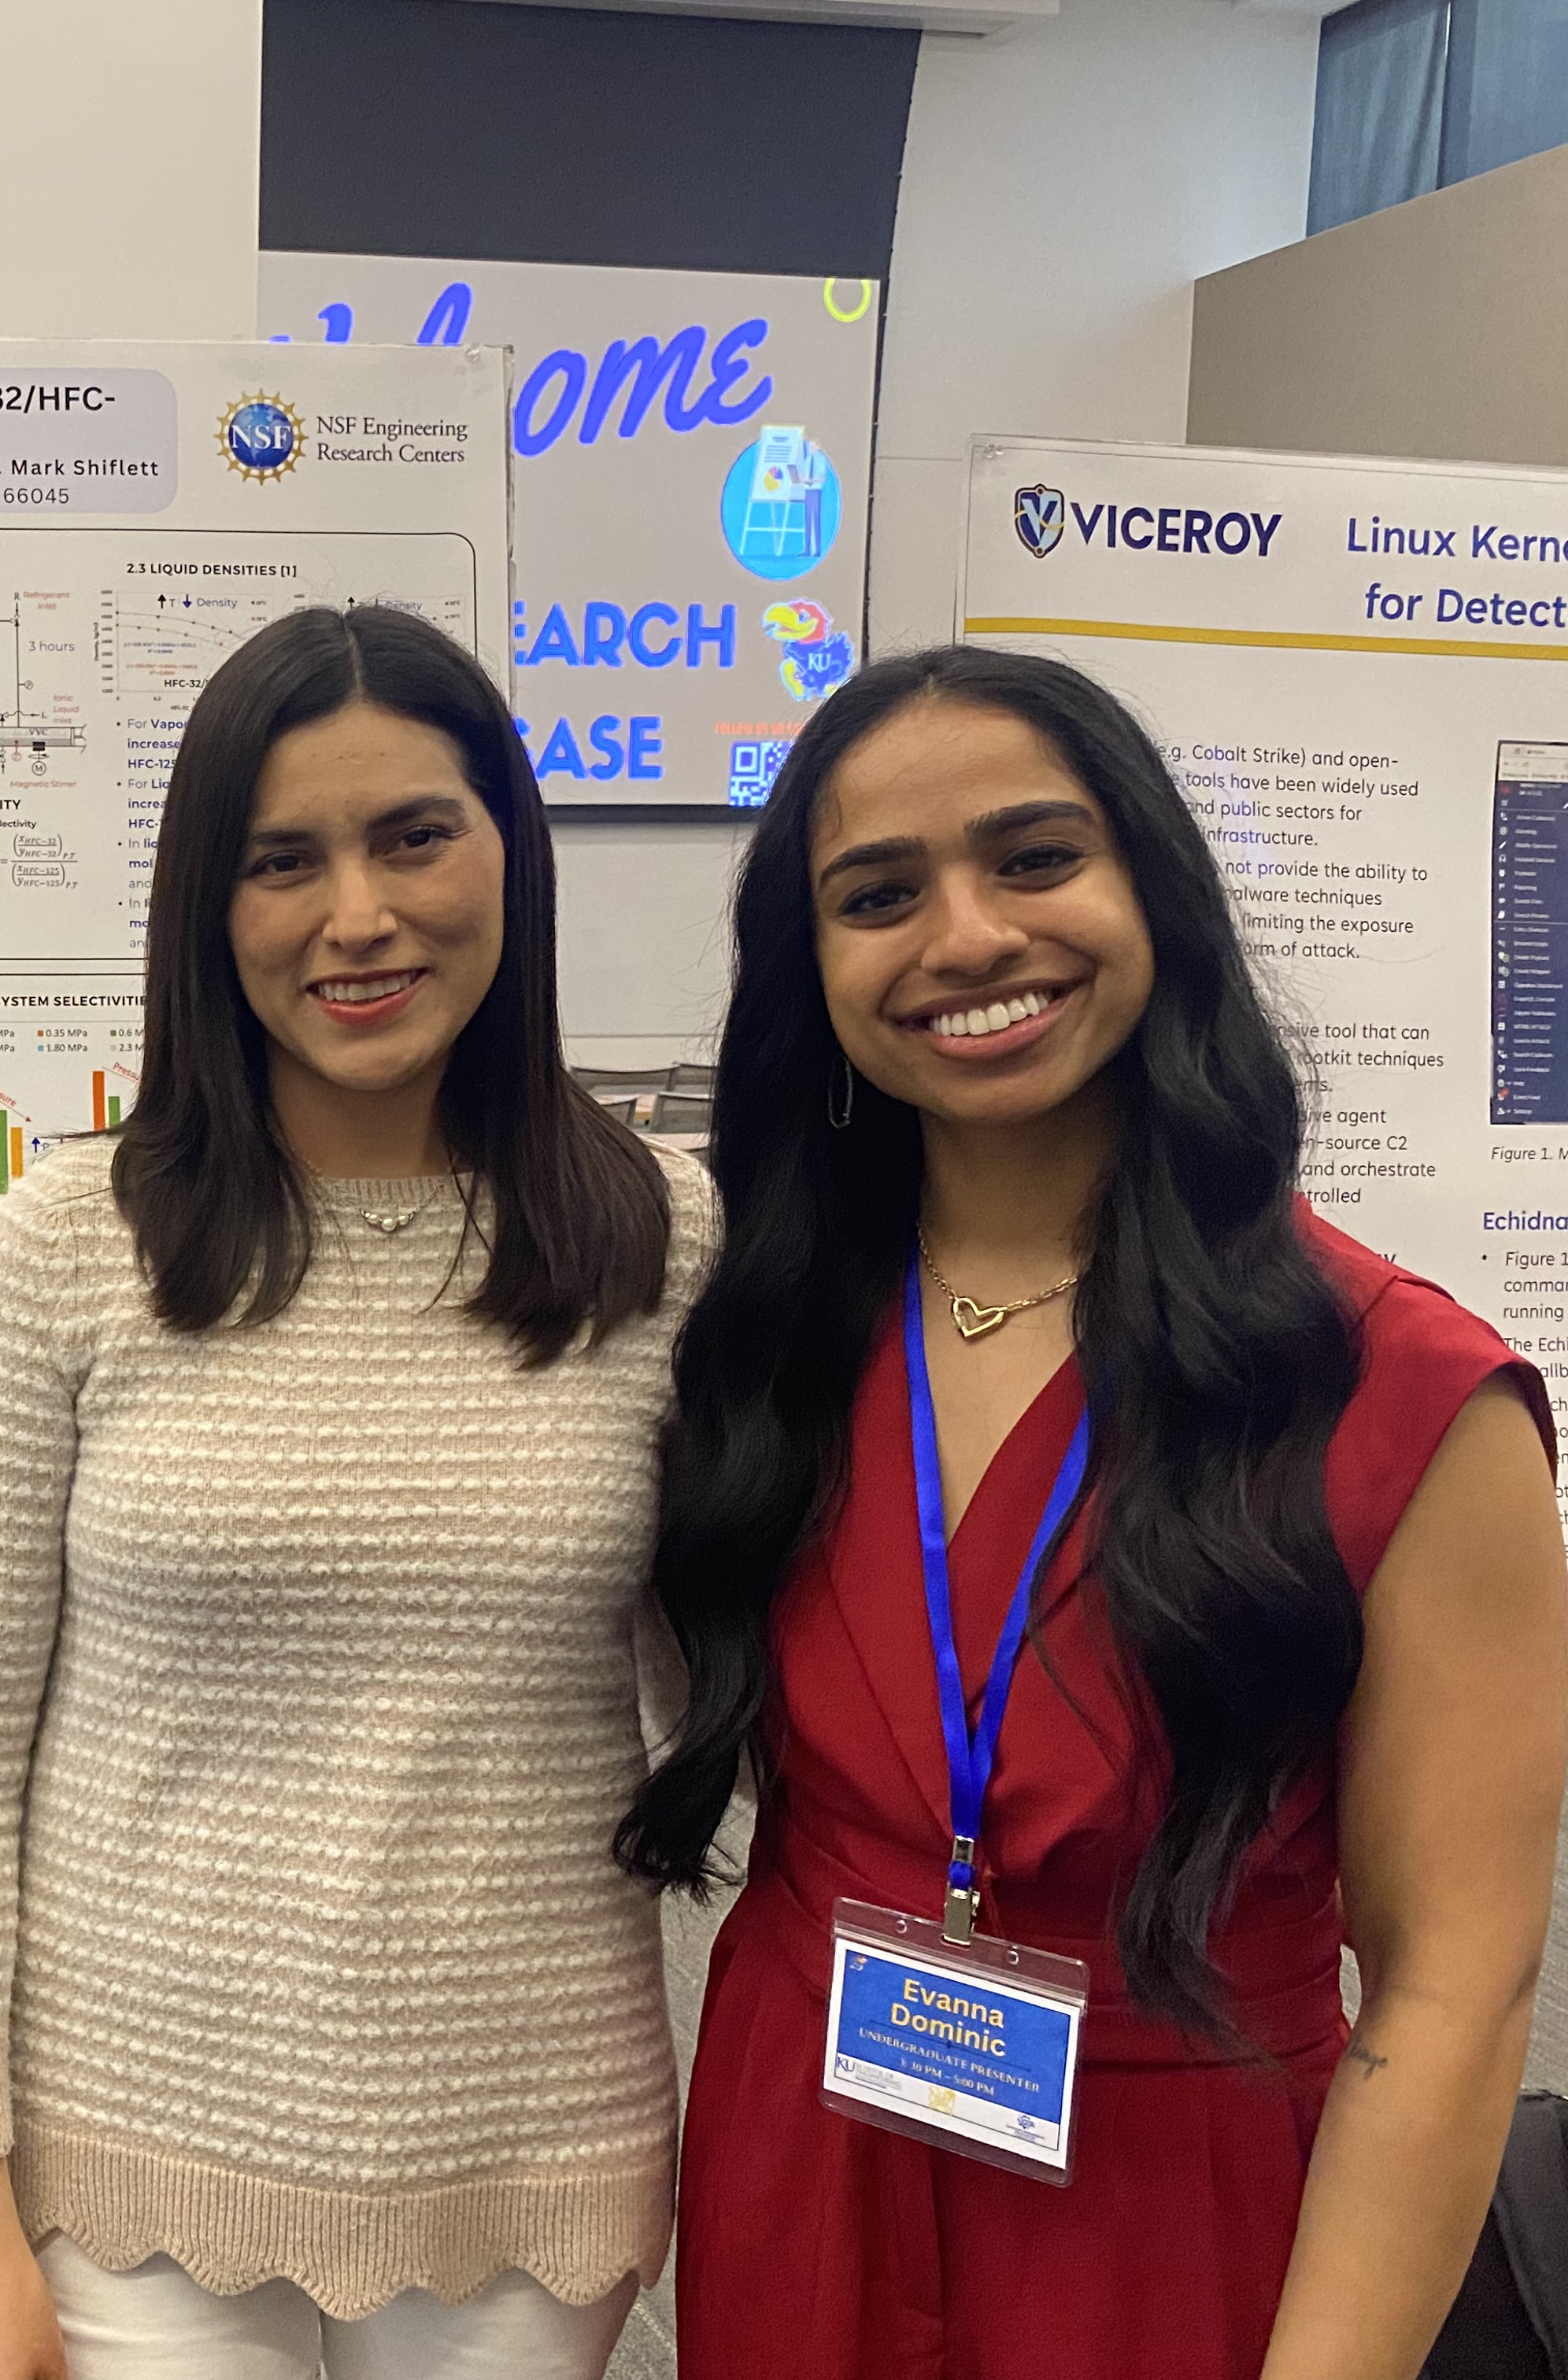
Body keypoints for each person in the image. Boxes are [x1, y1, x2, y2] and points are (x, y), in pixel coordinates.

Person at [619, 645, 1567, 2380]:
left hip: (1173, 2204)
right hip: (802, 2151)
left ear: (1159, 892)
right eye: (878, 894)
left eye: (1036, 857)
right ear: (809, 971)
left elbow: (1452, 1991)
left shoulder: (1403, 1396)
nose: (968, 936)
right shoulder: (760, 1341)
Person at [0, 604, 713, 2380]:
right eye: (283, 861)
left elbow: (737, 1711)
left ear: (510, 852)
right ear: (209, 906)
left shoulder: (666, 1239)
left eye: (415, 834)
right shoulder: (70, 1249)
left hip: (528, 2137)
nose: (359, 916)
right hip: (131, 2148)